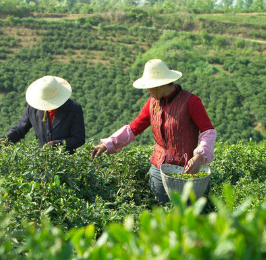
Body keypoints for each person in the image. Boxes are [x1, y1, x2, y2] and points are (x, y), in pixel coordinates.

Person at [90, 59, 216, 204]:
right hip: (157, 171)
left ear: (160, 85)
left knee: (184, 215)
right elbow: (133, 128)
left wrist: (199, 157)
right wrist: (107, 144)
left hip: (185, 172)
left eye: (150, 87)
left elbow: (208, 131)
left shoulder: (191, 101)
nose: (148, 91)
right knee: (160, 212)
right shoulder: (152, 103)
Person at [0, 75, 85, 154]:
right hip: (41, 160)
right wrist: (6, 139)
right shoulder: (33, 107)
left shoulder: (73, 109)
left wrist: (58, 144)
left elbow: (79, 139)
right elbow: (20, 129)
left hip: (66, 162)